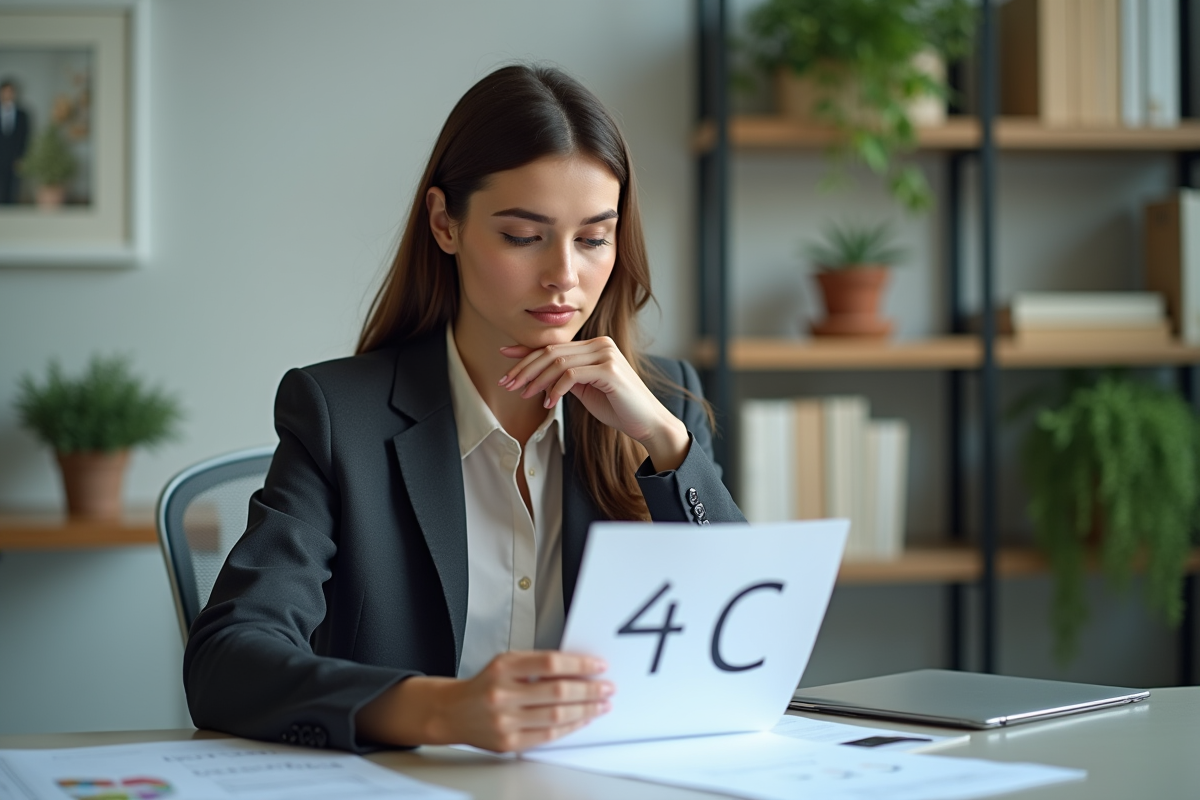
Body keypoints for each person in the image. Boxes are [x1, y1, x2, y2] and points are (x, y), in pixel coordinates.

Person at [183, 64, 744, 755]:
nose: (564, 276)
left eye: (594, 238)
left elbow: (747, 650)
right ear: (445, 222)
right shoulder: (338, 416)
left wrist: (666, 442)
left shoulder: (661, 407)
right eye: (522, 235)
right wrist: (442, 711)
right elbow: (226, 661)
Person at [0, 79, 30, 205]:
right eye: (5, 91)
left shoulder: (22, 114)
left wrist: (21, 157)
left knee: (13, 188)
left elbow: (25, 137)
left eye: (10, 91)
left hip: (14, 158)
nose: (8, 94)